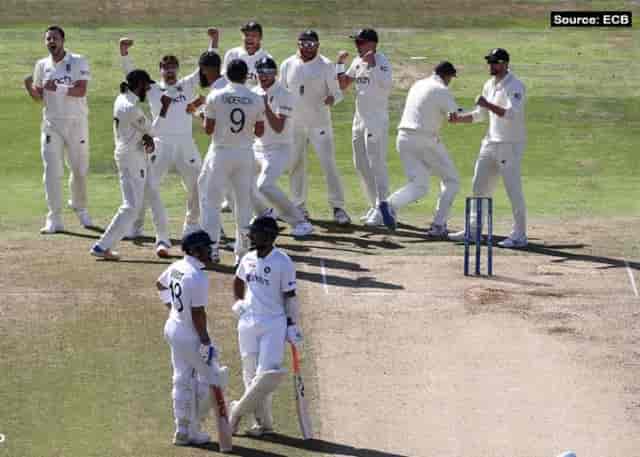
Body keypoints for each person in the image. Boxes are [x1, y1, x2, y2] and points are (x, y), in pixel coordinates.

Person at [118, 33, 214, 256]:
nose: (169, 71)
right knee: (147, 186)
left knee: (198, 184)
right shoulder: (152, 89)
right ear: (160, 70)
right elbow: (131, 75)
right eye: (165, 67)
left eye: (173, 67)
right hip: (159, 145)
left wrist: (213, 42)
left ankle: (191, 226)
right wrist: (124, 53)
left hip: (185, 144)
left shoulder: (187, 85)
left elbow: (207, 65)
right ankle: (136, 226)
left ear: (177, 69)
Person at [229, 216, 304, 437]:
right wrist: (238, 301)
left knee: (266, 375)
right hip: (247, 322)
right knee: (249, 374)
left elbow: (290, 296)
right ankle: (263, 424)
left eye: (254, 232)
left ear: (269, 237)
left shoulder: (283, 262)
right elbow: (238, 280)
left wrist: (291, 324)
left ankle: (236, 411)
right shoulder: (248, 258)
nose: (250, 236)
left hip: (273, 323)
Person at [448, 48, 528, 248]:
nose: (491, 66)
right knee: (478, 186)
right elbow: (479, 115)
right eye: (490, 62)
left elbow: (511, 114)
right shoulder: (489, 85)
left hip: (509, 145)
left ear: (505, 64)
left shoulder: (515, 85)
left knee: (513, 190)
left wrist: (487, 103)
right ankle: (474, 231)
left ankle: (520, 235)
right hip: (490, 143)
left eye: (495, 62)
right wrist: (459, 119)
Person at [156, 230, 230, 446]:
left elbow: (159, 285)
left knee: (181, 378)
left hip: (173, 328)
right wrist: (205, 341)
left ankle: (182, 429)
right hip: (190, 335)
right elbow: (198, 313)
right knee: (214, 377)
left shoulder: (177, 266)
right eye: (207, 247)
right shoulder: (197, 276)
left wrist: (173, 309)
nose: (211, 251)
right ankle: (194, 430)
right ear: (195, 250)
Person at [89, 70, 171, 260]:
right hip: (132, 159)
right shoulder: (131, 108)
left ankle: (163, 239)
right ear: (140, 84)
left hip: (135, 154)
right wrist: (164, 108)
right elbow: (155, 130)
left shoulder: (122, 99)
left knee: (152, 192)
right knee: (132, 206)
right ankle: (102, 246)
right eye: (147, 85)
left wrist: (145, 138)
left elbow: (140, 131)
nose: (149, 88)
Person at [24, 25, 93, 234]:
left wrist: (59, 87)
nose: (51, 42)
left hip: (76, 123)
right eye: (48, 39)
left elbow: (81, 90)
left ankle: (80, 208)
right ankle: (54, 218)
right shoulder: (41, 65)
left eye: (54, 38)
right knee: (52, 172)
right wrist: (29, 88)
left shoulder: (78, 61)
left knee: (79, 170)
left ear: (63, 40)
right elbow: (40, 97)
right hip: (51, 124)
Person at [280, 30, 351, 224]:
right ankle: (298, 206)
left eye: (311, 44)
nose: (307, 48)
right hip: (295, 124)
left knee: (328, 165)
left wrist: (331, 98)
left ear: (317, 46)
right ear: (298, 44)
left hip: (319, 124)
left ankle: (338, 207)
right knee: (296, 165)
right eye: (303, 44)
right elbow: (281, 93)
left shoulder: (326, 65)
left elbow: (338, 94)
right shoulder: (287, 64)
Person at [198, 59, 265, 265]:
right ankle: (242, 254)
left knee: (211, 202)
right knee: (243, 204)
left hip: (221, 154)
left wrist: (200, 115)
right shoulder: (256, 98)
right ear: (246, 76)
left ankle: (212, 250)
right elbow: (260, 131)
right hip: (245, 154)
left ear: (226, 75)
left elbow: (208, 130)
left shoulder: (216, 96)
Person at [385, 61, 462, 236]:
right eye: (451, 77)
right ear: (447, 76)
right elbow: (454, 117)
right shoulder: (441, 89)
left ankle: (389, 205)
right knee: (452, 181)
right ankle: (438, 226)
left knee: (419, 185)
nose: (450, 81)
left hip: (403, 138)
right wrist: (479, 113)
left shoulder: (418, 84)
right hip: (424, 139)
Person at [250, 56, 314, 237]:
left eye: (268, 72)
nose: (264, 76)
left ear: (275, 74)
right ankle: (266, 214)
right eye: (260, 72)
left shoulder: (285, 95)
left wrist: (265, 106)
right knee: (241, 182)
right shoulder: (253, 92)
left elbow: (278, 128)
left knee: (264, 185)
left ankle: (300, 221)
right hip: (257, 147)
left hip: (279, 148)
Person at [336, 28, 393, 228]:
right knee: (360, 163)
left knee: (376, 163)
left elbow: (387, 86)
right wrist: (339, 65)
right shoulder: (357, 62)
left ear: (372, 44)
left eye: (360, 43)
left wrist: (374, 66)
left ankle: (383, 206)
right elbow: (343, 84)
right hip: (359, 119)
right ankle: (374, 204)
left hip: (376, 120)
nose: (357, 46)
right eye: (356, 43)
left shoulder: (382, 62)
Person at [219, 22, 272, 212]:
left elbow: (267, 88)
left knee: (248, 159)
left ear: (260, 37)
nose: (249, 39)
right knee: (224, 154)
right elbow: (225, 84)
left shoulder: (266, 58)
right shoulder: (232, 55)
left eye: (253, 35)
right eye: (246, 35)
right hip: (231, 113)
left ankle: (255, 202)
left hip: (254, 114)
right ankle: (230, 197)